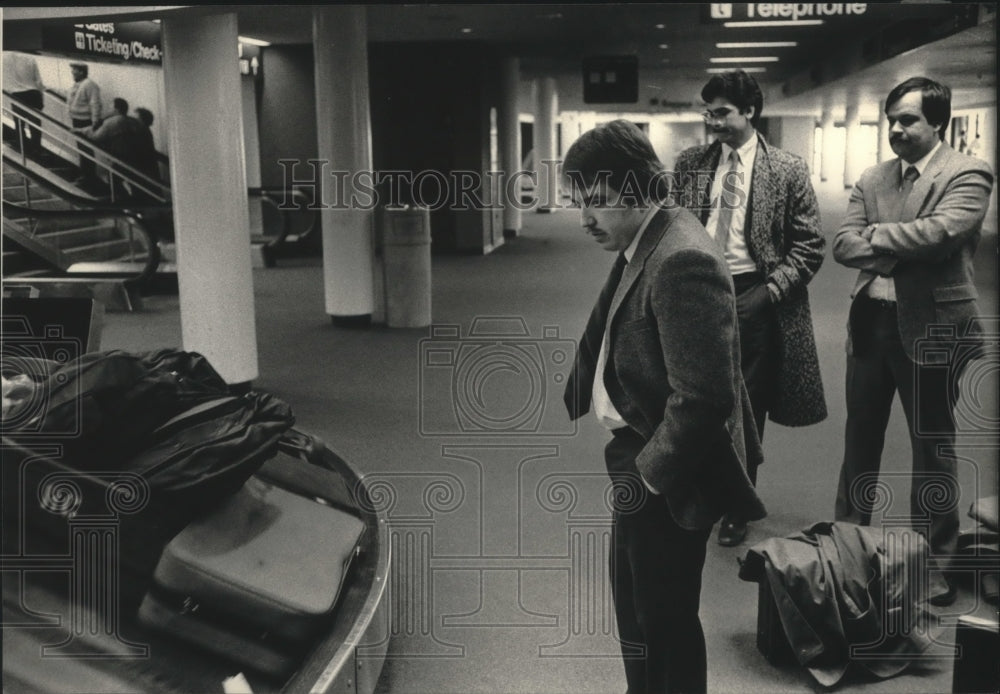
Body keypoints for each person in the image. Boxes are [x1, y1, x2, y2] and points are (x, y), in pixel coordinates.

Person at [562, 120, 766, 694]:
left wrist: (648, 478)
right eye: (580, 202)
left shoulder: (680, 259)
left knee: (664, 618)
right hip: (640, 453)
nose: (584, 219)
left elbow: (703, 396)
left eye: (597, 202)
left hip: (668, 468)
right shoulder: (647, 239)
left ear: (639, 187)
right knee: (638, 610)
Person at [832, 77, 995, 607]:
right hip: (871, 324)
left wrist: (875, 238)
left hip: (934, 328)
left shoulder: (968, 171)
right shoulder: (873, 175)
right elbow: (840, 243)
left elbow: (944, 233)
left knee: (933, 448)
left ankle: (936, 565)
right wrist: (902, 243)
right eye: (892, 120)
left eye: (908, 120)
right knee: (860, 442)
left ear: (938, 123)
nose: (896, 129)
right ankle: (847, 551)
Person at [672, 69, 827, 547]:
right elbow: (673, 228)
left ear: (750, 112)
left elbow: (810, 245)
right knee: (695, 397)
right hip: (700, 293)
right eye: (708, 113)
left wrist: (768, 293)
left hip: (756, 295)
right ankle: (701, 493)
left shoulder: (786, 168)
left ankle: (739, 503)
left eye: (721, 113)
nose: (712, 122)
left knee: (747, 407)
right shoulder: (691, 163)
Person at [67, 62, 103, 189]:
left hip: (85, 121)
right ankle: (86, 175)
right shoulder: (78, 85)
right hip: (77, 120)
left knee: (86, 149)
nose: (72, 73)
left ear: (82, 71)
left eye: (74, 70)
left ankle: (88, 177)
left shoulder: (89, 85)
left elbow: (95, 103)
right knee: (82, 149)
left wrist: (95, 122)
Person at [2, 51, 45, 157]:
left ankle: (23, 148)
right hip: (33, 93)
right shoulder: (29, 57)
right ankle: (36, 149)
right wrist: (41, 97)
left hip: (16, 95)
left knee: (19, 123)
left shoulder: (4, 57)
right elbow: (38, 81)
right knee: (35, 124)